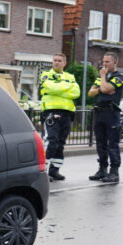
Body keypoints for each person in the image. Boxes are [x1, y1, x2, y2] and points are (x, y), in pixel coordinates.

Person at [39, 53, 80, 181]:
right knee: (51, 141)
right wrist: (66, 88)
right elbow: (50, 88)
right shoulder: (46, 75)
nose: (56, 62)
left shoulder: (70, 76)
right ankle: (43, 171)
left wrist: (58, 89)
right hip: (51, 112)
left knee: (61, 143)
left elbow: (76, 92)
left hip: (67, 113)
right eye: (54, 60)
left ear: (64, 63)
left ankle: (54, 170)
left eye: (59, 61)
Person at [87, 52, 123, 183]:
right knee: (100, 142)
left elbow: (106, 87)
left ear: (115, 62)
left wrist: (103, 78)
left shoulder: (119, 78)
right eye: (103, 61)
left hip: (111, 113)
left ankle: (114, 172)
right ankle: (102, 169)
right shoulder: (100, 77)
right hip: (99, 113)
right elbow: (91, 92)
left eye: (107, 62)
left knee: (112, 143)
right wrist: (101, 89)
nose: (104, 64)